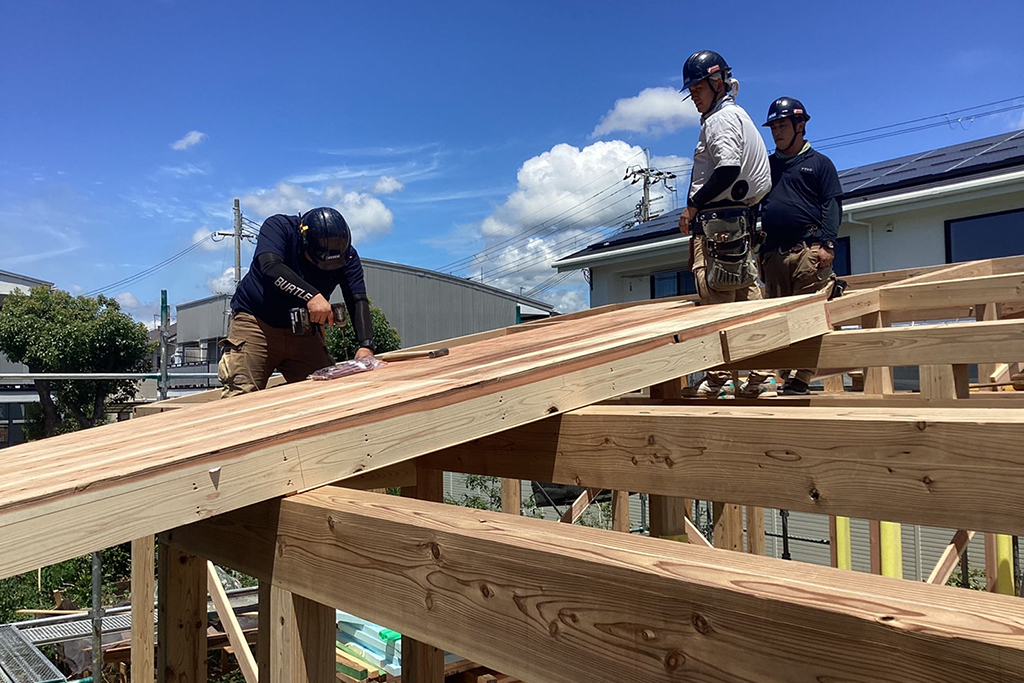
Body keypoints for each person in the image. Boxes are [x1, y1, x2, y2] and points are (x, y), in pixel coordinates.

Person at [677, 49, 774, 398]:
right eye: (692, 92)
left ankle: (717, 380)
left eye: (698, 89)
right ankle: (760, 378)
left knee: (717, 298)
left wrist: (692, 206)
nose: (694, 98)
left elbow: (727, 169)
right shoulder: (739, 116)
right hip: (739, 222)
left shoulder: (720, 120)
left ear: (717, 83)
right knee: (748, 297)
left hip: (720, 222)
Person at [218, 207, 376, 397]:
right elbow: (269, 266)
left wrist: (366, 345)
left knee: (327, 393)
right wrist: (311, 295)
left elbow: (357, 299)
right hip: (256, 323)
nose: (327, 268)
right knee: (242, 398)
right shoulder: (279, 228)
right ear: (304, 244)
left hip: (303, 331)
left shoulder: (347, 256)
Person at [759, 97, 844, 395]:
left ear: (801, 125)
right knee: (776, 320)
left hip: (807, 251)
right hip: (773, 253)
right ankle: (781, 376)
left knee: (809, 317)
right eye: (774, 127)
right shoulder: (767, 167)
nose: (777, 132)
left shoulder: (819, 164)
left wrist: (827, 244)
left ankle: (802, 378)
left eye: (782, 125)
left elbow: (831, 205)